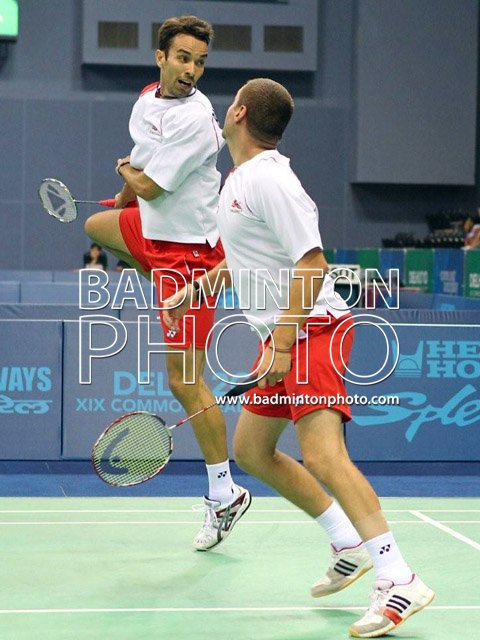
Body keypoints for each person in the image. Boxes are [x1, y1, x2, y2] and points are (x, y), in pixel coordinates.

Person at [164, 78, 434, 638]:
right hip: (284, 333)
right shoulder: (241, 181)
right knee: (252, 450)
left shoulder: (271, 179)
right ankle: (346, 541)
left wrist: (284, 344)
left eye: (229, 105)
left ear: (239, 114)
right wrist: (196, 290)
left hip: (315, 330)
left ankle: (399, 577)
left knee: (324, 456)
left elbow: (312, 264)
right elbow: (249, 258)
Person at [84, 15, 250, 551]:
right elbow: (141, 170)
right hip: (156, 239)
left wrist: (126, 175)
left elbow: (151, 185)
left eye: (200, 62)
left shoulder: (198, 121)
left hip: (191, 257)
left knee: (184, 383)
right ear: (161, 57)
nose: (191, 70)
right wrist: (124, 196)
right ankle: (157, 280)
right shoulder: (146, 100)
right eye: (183, 58)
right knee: (97, 225)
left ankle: (224, 493)